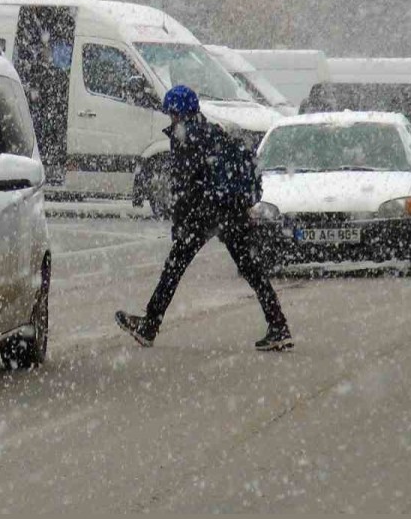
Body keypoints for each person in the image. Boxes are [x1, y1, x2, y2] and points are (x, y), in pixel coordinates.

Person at [115, 85, 294, 351]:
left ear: (177, 113)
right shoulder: (213, 132)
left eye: (171, 113)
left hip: (206, 212)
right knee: (251, 268)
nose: (170, 118)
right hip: (231, 208)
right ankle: (278, 324)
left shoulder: (189, 138)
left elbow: (187, 187)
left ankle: (150, 325)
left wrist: (183, 222)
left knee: (174, 267)